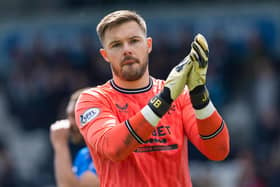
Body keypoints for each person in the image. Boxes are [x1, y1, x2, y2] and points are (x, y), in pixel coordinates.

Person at [75, 10, 230, 187]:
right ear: (105, 55)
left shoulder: (179, 95)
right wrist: (163, 100)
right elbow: (114, 148)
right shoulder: (92, 100)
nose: (127, 50)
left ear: (148, 45)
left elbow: (218, 151)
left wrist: (199, 94)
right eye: (116, 45)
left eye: (134, 41)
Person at [50, 88, 99, 187]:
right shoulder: (83, 155)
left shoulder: (111, 154)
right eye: (68, 116)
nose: (69, 123)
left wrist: (60, 144)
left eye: (74, 116)